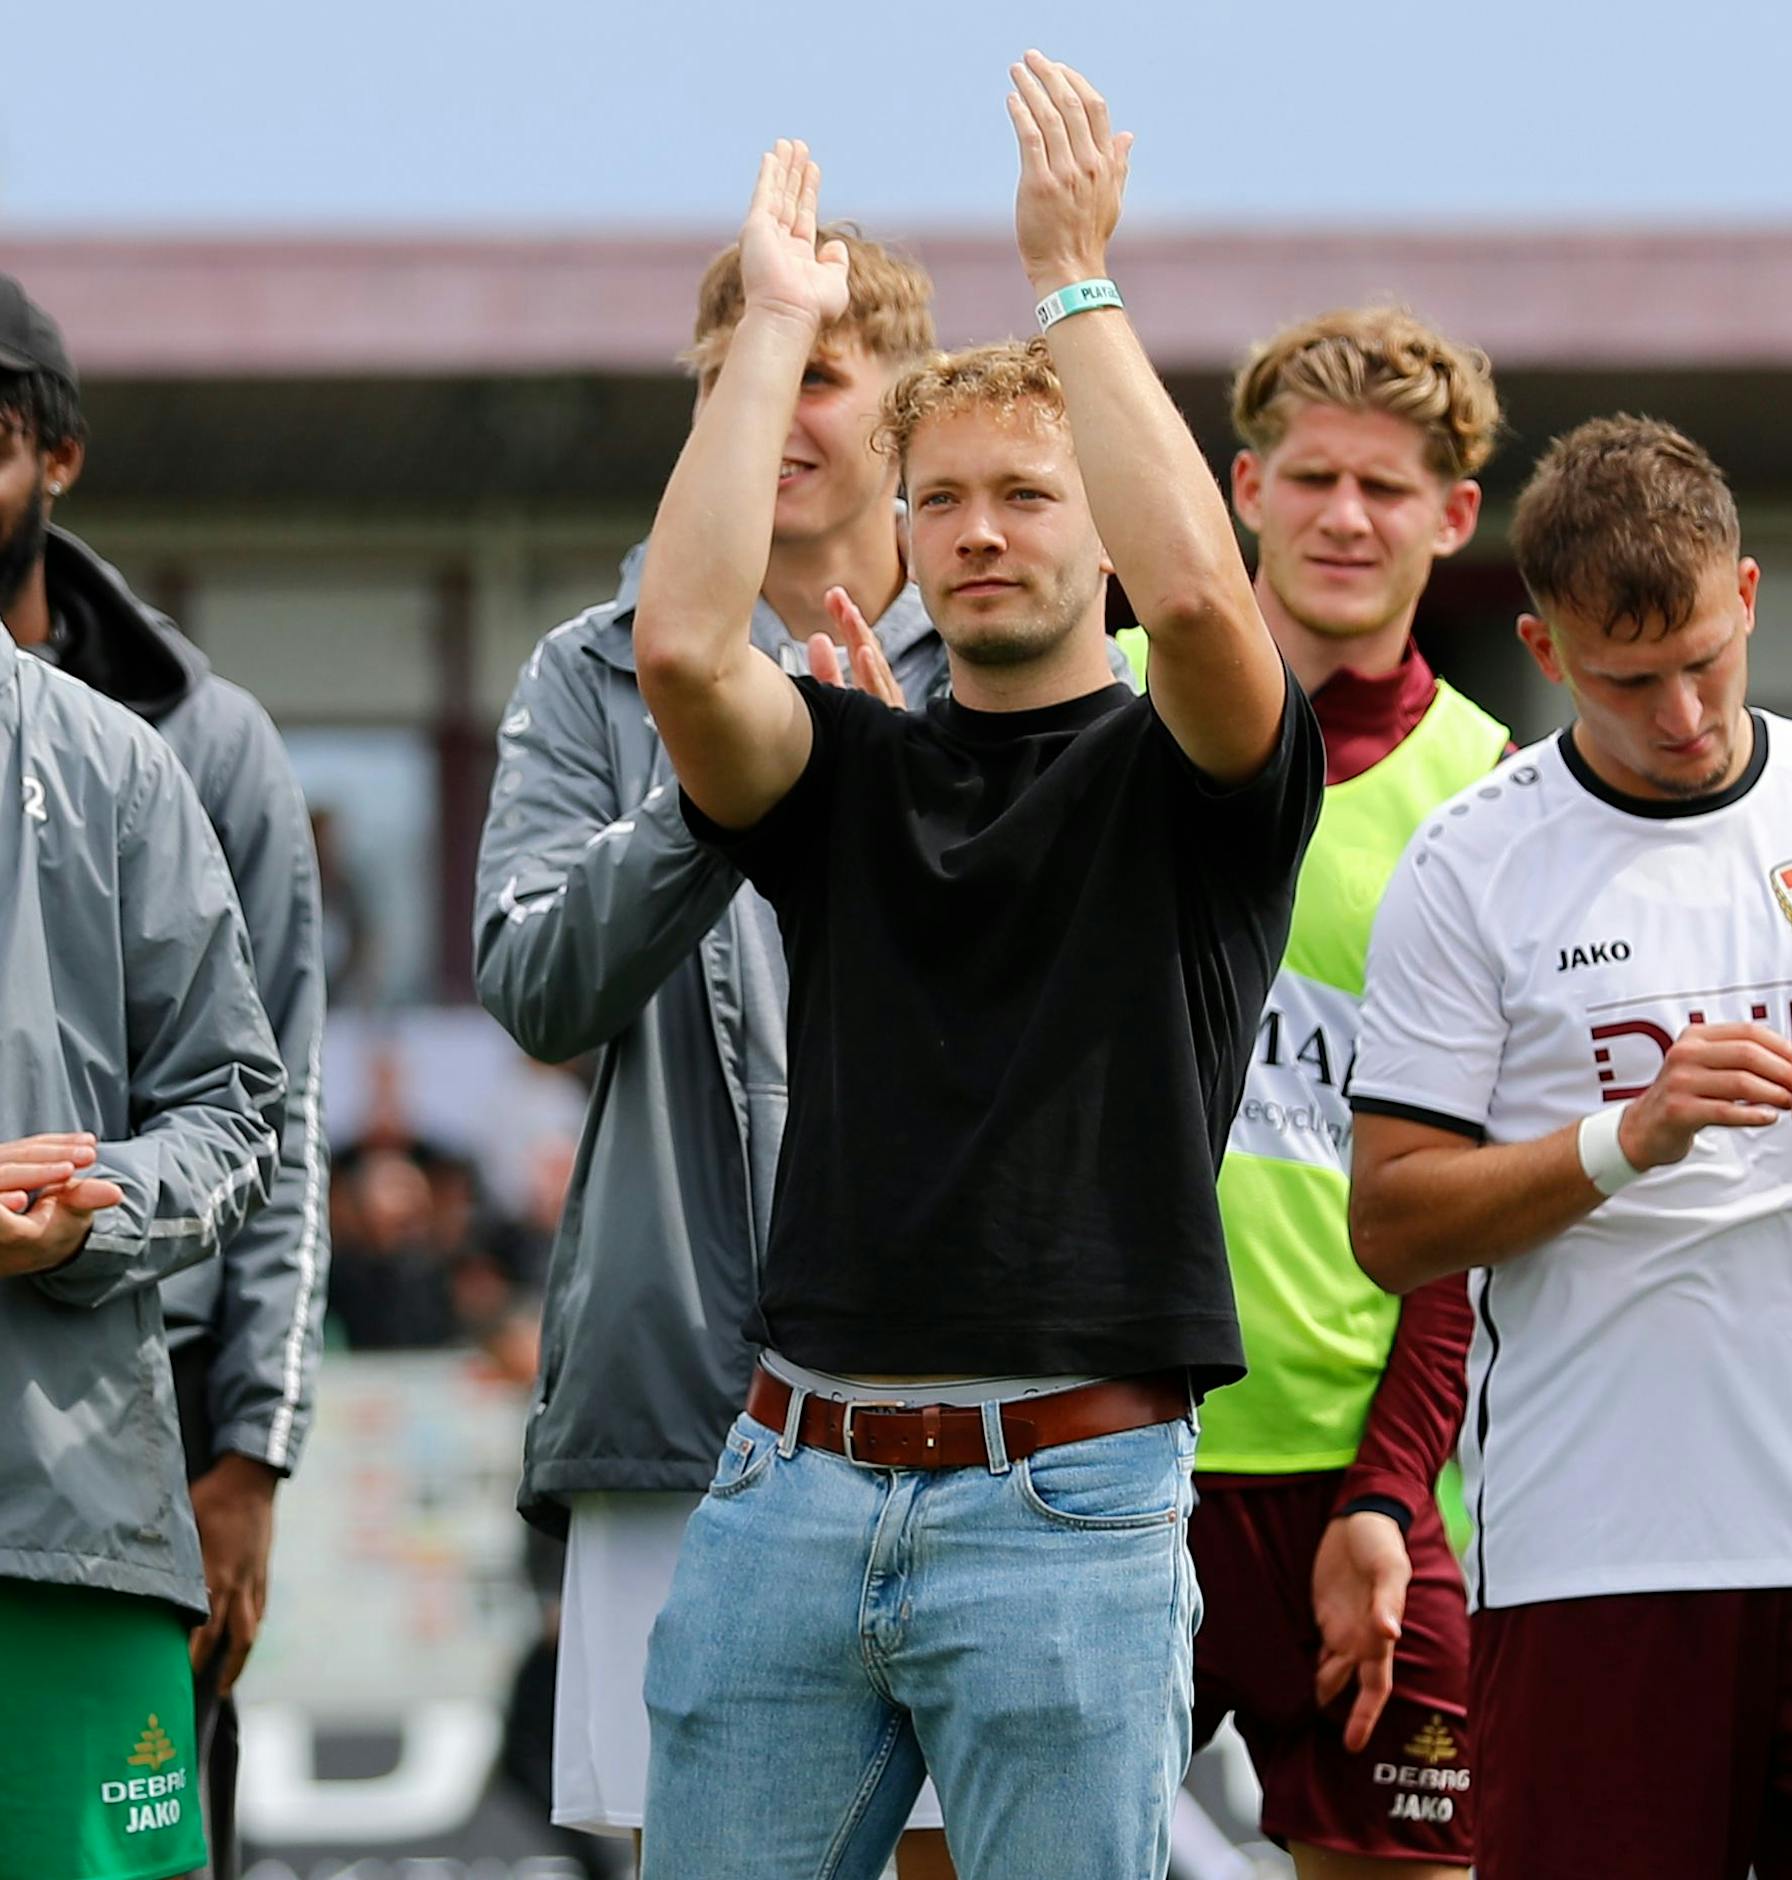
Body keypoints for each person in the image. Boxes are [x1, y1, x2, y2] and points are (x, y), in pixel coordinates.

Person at [632, 52, 1322, 1880]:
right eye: (941, 501)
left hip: (1069, 1498)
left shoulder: (1201, 776)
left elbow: (1203, 605)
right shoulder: (845, 761)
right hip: (788, 1479)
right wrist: (777, 329)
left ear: (1104, 520)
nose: (983, 532)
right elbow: (683, 650)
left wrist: (1073, 276)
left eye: (1029, 492)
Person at [472, 223, 954, 1871]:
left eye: (818, 370)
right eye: (739, 373)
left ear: (905, 407)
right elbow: (535, 986)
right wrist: (724, 767)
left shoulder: (1021, 651)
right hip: (678, 1399)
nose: (776, 408)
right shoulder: (591, 672)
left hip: (972, 1406)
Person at [1345, 415, 1792, 1880]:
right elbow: (1391, 1226)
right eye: (1631, 681)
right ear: (1546, 648)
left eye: (1706, 660)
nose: (1685, 715)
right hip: (1599, 1555)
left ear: (1749, 595)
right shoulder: (1471, 862)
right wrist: (1623, 1138)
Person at [1131, 308, 1505, 1879]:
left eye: (1386, 486)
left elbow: (1473, 1208)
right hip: (1110, 1459)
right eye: (1313, 478)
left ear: (1454, 515)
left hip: (1365, 1495)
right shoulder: (1101, 705)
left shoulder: (1493, 794)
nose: (1347, 517)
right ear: (1244, 488)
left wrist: (1390, 1494)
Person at [0, 276, 329, 1880]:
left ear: (55, 454)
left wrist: (247, 1452)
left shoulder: (167, 750)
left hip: (108, 1446)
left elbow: (265, 1110)